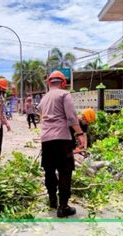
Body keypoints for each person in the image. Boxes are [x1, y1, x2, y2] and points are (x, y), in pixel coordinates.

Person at [38, 70, 85, 218]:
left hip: (46, 139)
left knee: (49, 170)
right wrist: (79, 134)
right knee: (65, 171)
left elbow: (41, 112)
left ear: (49, 83)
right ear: (63, 83)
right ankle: (63, 206)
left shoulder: (44, 99)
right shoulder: (64, 94)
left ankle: (52, 200)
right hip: (62, 138)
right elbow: (71, 117)